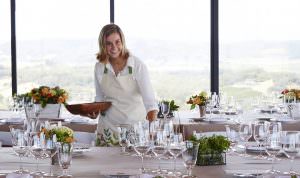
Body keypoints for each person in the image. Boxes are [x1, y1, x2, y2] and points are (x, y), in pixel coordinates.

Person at [94, 24, 158, 146]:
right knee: (104, 165)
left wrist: (152, 130)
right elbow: (99, 98)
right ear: (103, 45)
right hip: (108, 130)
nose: (114, 47)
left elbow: (151, 104)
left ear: (122, 41)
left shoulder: (137, 65)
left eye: (117, 42)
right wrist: (93, 111)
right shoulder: (99, 67)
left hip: (134, 131)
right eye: (109, 44)